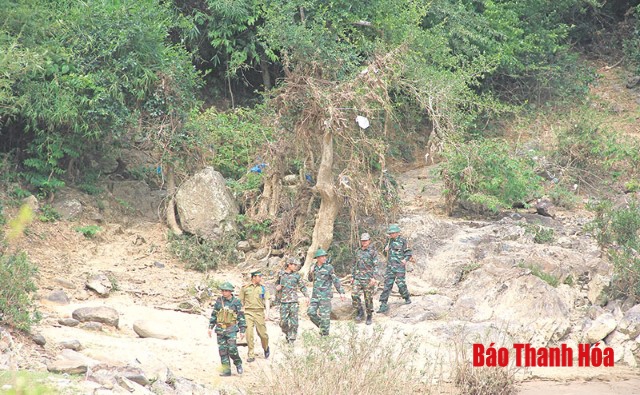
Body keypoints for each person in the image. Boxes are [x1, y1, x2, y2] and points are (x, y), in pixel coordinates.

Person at [207, 282, 246, 376]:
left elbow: (241, 317)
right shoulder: (219, 301)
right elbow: (214, 314)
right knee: (223, 351)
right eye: (222, 291)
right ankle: (226, 370)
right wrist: (210, 327)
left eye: (226, 291)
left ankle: (238, 363)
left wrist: (242, 330)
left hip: (231, 329)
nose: (224, 292)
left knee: (232, 349)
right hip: (220, 329)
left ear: (230, 291)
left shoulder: (236, 302)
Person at [307, 248, 345, 336]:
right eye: (322, 257)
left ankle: (325, 336)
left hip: (325, 296)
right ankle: (322, 327)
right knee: (311, 312)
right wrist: (310, 271)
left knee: (325, 317)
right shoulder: (314, 267)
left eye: (325, 256)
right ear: (317, 258)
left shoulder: (329, 267)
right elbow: (309, 279)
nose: (324, 258)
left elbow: (335, 280)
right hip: (315, 296)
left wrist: (341, 292)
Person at [378, 224, 412, 313]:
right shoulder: (389, 241)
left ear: (397, 233)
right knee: (387, 286)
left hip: (399, 267)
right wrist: (385, 250)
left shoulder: (403, 241)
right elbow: (385, 254)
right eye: (390, 233)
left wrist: (405, 260)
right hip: (390, 267)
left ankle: (406, 297)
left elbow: (408, 252)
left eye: (393, 233)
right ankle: (383, 304)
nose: (391, 235)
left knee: (401, 284)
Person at [239, 270, 270, 362]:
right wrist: (240, 315)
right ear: (253, 277)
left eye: (261, 276)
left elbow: (267, 300)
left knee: (263, 334)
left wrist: (267, 313)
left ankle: (266, 347)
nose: (260, 278)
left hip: (259, 313)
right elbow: (240, 301)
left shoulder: (263, 288)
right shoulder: (245, 288)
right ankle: (251, 354)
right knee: (249, 334)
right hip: (248, 313)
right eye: (259, 276)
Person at [275, 257, 308, 343]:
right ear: (289, 265)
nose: (295, 267)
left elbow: (302, 286)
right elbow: (276, 284)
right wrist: (277, 288)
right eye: (294, 265)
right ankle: (287, 334)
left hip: (293, 301)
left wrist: (307, 296)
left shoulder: (297, 275)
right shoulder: (280, 274)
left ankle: (292, 339)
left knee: (294, 322)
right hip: (283, 301)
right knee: (283, 322)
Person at [351, 233, 380, 325]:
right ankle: (360, 311)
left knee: (368, 298)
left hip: (368, 279)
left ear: (369, 241)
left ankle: (369, 315)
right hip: (358, 278)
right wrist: (352, 276)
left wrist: (374, 278)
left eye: (366, 240)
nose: (364, 242)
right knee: (354, 295)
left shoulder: (373, 252)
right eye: (362, 241)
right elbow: (354, 264)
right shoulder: (357, 251)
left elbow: (376, 266)